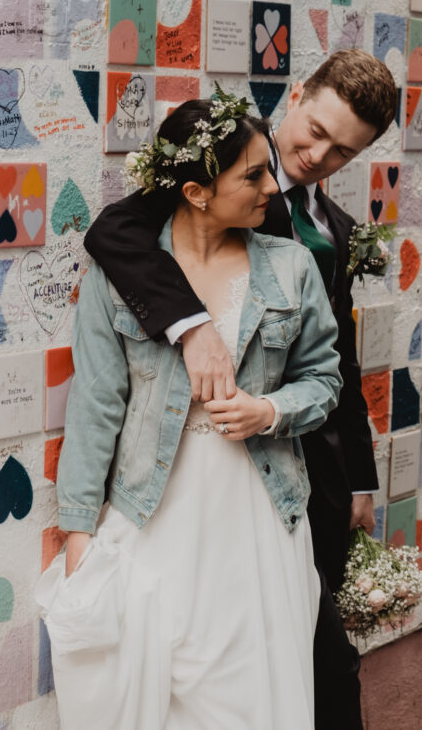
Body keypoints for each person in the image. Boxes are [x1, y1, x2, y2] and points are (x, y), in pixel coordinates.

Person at [82, 49, 398, 730]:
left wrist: (361, 479)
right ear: (299, 93)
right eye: (315, 131)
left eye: (342, 152)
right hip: (200, 474)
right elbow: (114, 229)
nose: (317, 156)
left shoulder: (332, 234)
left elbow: (333, 364)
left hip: (303, 469)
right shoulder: (218, 165)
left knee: (313, 660)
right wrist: (192, 326)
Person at [37, 91, 343, 729]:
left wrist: (268, 411)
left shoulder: (290, 268)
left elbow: (324, 380)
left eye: (269, 170)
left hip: (258, 519)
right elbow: (96, 405)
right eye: (253, 176)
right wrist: (78, 535)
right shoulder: (122, 277)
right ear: (198, 192)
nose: (271, 189)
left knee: (245, 702)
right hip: (151, 518)